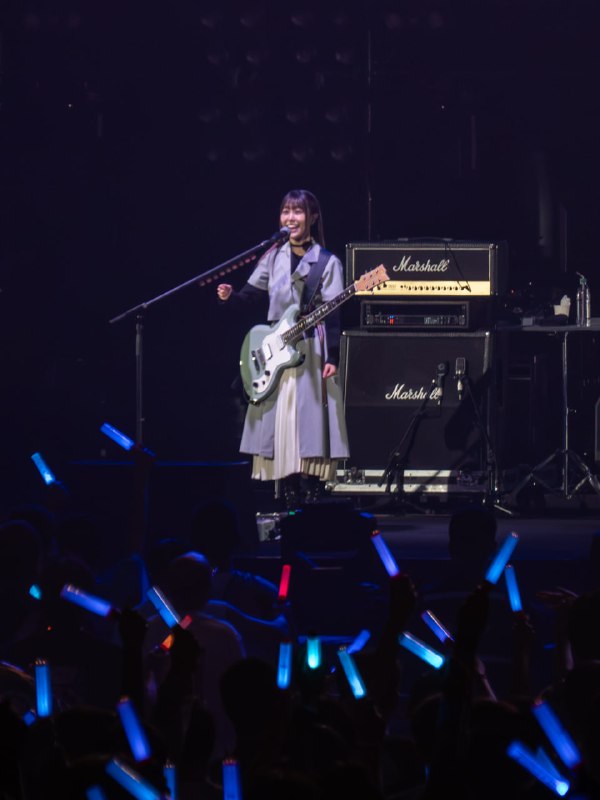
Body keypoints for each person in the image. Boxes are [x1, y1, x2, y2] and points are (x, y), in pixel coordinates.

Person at [217, 188, 350, 509]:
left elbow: (333, 312)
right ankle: (287, 490)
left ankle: (312, 488)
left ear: (313, 218)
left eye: (298, 211)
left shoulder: (327, 262)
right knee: (279, 419)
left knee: (309, 419)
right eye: (286, 211)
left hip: (310, 346)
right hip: (275, 348)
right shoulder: (272, 256)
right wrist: (230, 297)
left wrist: (332, 355)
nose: (290, 218)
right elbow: (250, 295)